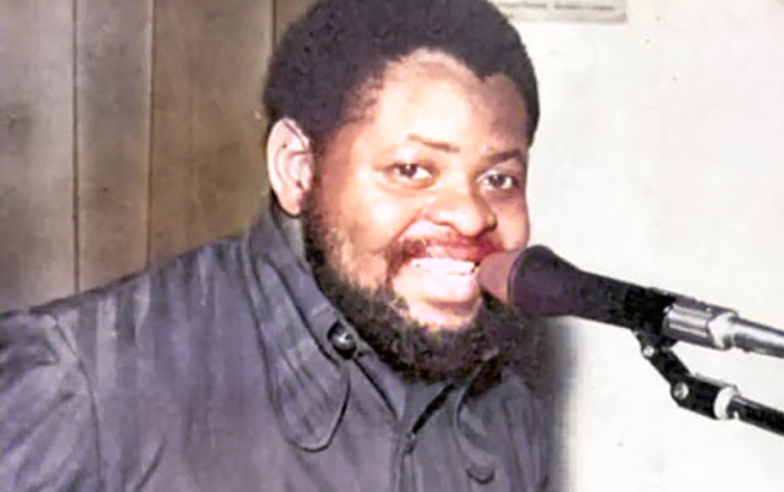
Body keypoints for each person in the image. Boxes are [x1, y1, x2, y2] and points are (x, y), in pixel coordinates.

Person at [0, 0, 550, 490]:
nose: (471, 214)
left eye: (499, 179)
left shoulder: (506, 416)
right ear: (297, 169)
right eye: (412, 169)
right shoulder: (81, 385)